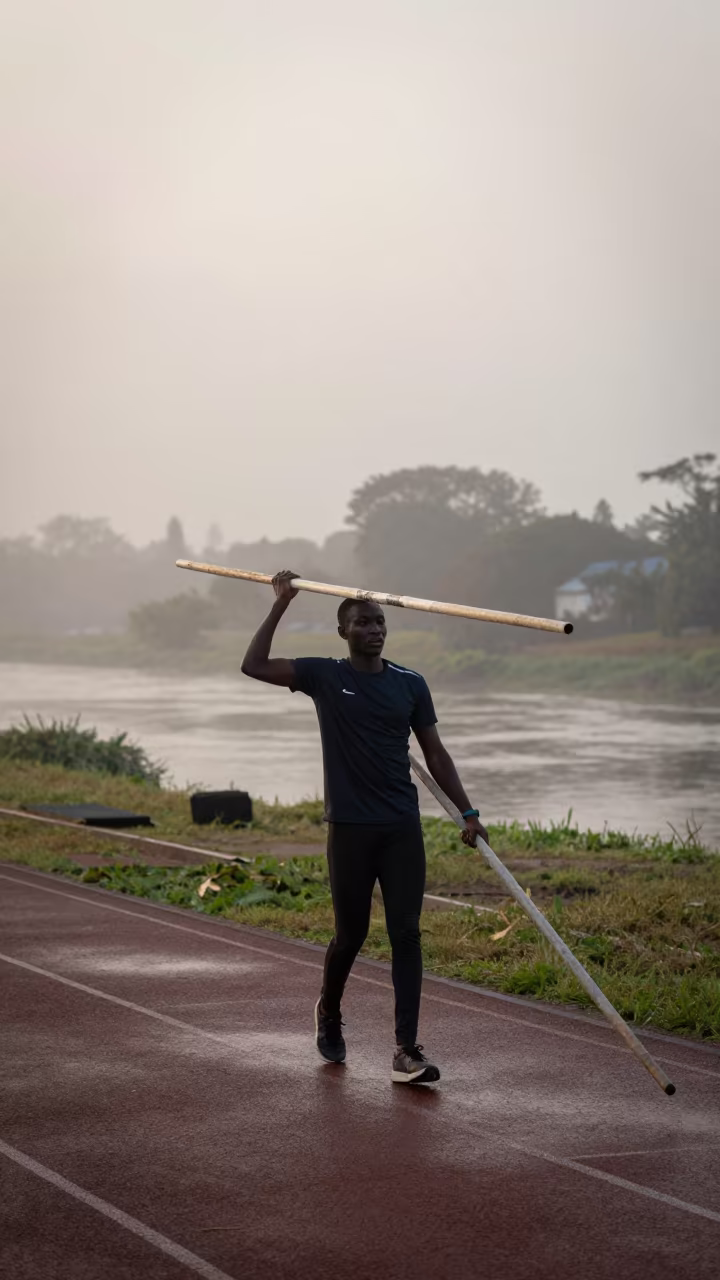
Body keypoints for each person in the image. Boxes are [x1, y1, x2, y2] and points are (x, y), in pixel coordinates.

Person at [241, 570, 488, 1085]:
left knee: (406, 934)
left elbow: (435, 755)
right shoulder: (325, 676)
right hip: (350, 828)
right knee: (350, 935)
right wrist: (281, 604)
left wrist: (468, 814)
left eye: (379, 622)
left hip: (401, 827)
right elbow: (254, 664)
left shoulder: (410, 683)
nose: (374, 630)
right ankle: (329, 1011)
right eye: (362, 623)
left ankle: (406, 1050)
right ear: (343, 631)